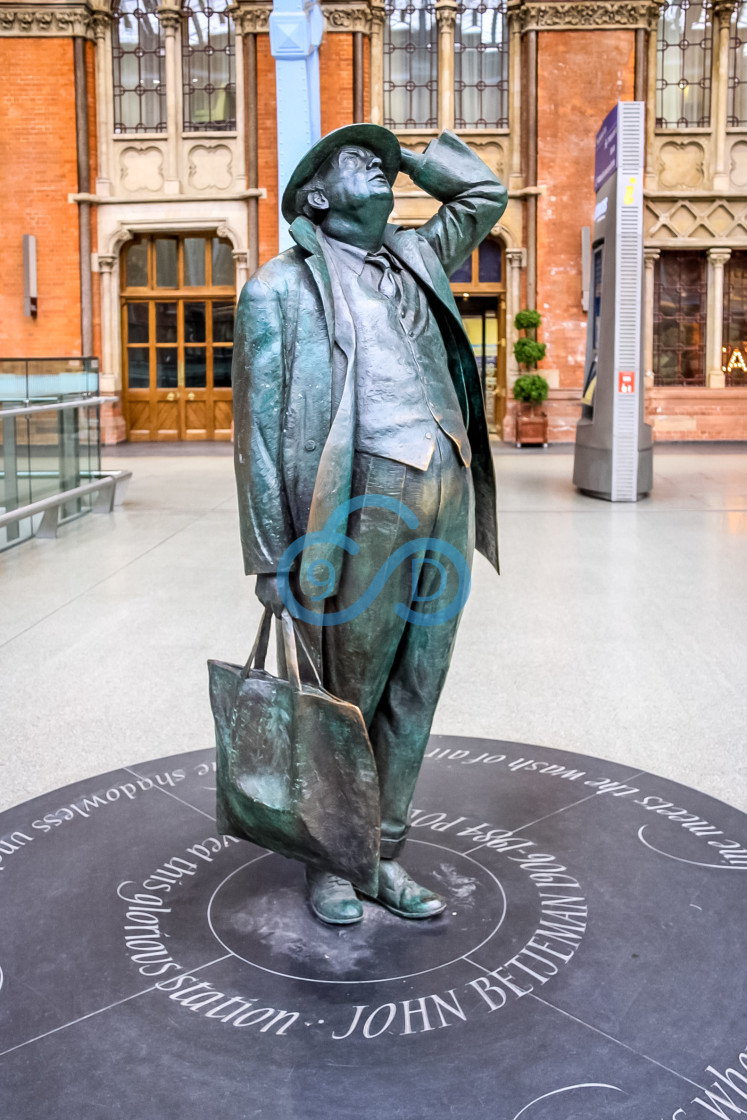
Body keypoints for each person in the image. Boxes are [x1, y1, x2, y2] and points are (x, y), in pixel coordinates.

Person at [232, 124, 507, 925]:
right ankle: (328, 854)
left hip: (445, 489)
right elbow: (255, 429)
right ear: (314, 198)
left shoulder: (417, 255)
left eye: (382, 161)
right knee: (344, 694)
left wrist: (413, 158)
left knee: (419, 683)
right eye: (359, 159)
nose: (379, 167)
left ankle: (381, 853)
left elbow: (483, 195)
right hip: (355, 510)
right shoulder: (277, 291)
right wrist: (268, 554)